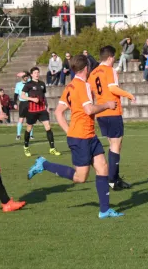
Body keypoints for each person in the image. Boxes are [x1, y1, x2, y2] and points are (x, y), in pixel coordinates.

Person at [27, 54, 124, 219]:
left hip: (88, 136)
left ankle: (104, 210)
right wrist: (107, 105)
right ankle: (44, 164)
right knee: (80, 177)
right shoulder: (82, 85)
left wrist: (69, 131)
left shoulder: (70, 86)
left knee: (103, 168)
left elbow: (58, 112)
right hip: (81, 139)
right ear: (86, 68)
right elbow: (89, 110)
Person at [88, 46, 135, 191]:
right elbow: (113, 88)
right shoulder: (110, 70)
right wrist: (129, 95)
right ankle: (113, 180)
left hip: (101, 112)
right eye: (114, 57)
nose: (114, 60)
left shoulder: (93, 73)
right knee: (116, 144)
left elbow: (90, 92)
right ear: (110, 57)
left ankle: (115, 178)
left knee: (114, 144)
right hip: (112, 110)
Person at [21, 67, 61, 158]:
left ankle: (52, 148)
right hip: (32, 110)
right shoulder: (28, 84)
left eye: (38, 72)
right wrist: (31, 99)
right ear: (31, 74)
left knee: (48, 127)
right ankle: (26, 147)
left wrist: (47, 106)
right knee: (29, 128)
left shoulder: (42, 84)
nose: (37, 74)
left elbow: (43, 96)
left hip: (42, 109)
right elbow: (22, 96)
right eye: (35, 72)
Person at [14, 72, 33, 141]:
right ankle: (18, 135)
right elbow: (16, 94)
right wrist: (15, 103)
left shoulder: (30, 83)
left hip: (30, 102)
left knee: (30, 119)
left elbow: (30, 76)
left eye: (26, 76)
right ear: (22, 77)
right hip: (22, 103)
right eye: (24, 76)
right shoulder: (18, 84)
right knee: (21, 119)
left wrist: (25, 73)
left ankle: (31, 135)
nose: (26, 77)